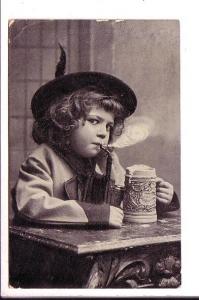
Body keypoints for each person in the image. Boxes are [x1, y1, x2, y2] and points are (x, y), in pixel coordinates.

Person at [12, 46, 179, 229]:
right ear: (65, 121)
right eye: (94, 121)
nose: (103, 133)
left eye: (108, 126)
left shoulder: (106, 158)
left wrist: (158, 198)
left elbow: (124, 202)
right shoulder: (42, 159)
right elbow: (30, 205)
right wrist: (95, 214)